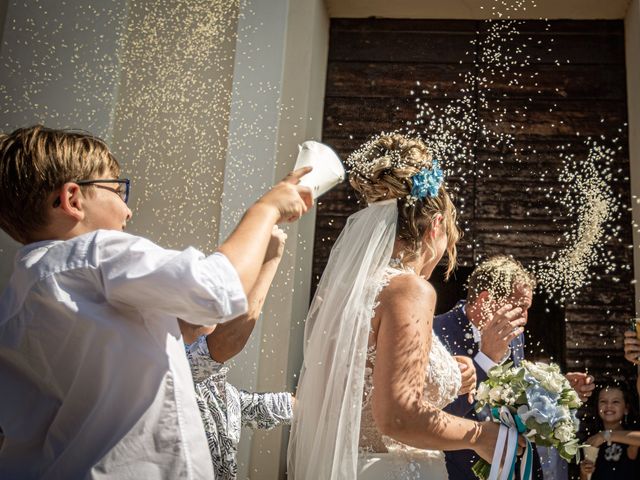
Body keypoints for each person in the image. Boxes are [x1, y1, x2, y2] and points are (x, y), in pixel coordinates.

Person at [0, 125, 312, 479]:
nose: (127, 212)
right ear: (73, 199)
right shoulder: (95, 252)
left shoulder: (18, 298)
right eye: (118, 189)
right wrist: (265, 209)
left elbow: (188, 327)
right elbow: (217, 290)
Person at [288, 133, 503, 480]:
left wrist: (449, 371)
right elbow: (398, 416)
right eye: (449, 232)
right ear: (434, 227)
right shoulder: (409, 289)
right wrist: (480, 436)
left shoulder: (346, 292)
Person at [433, 255, 595, 480]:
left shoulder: (514, 335)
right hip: (462, 469)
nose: (525, 318)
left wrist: (554, 390)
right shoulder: (436, 332)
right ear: (485, 300)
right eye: (519, 307)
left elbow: (512, 395)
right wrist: (486, 359)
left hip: (520, 467)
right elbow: (436, 412)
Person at [178, 226, 293, 480]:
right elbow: (228, 340)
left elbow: (280, 407)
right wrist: (270, 258)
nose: (221, 313)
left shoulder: (226, 393)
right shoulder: (177, 368)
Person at [579, 383, 640, 479]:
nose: (608, 406)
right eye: (603, 401)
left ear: (626, 409)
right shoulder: (592, 440)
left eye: (615, 402)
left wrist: (606, 435)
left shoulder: (631, 437)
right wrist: (584, 472)